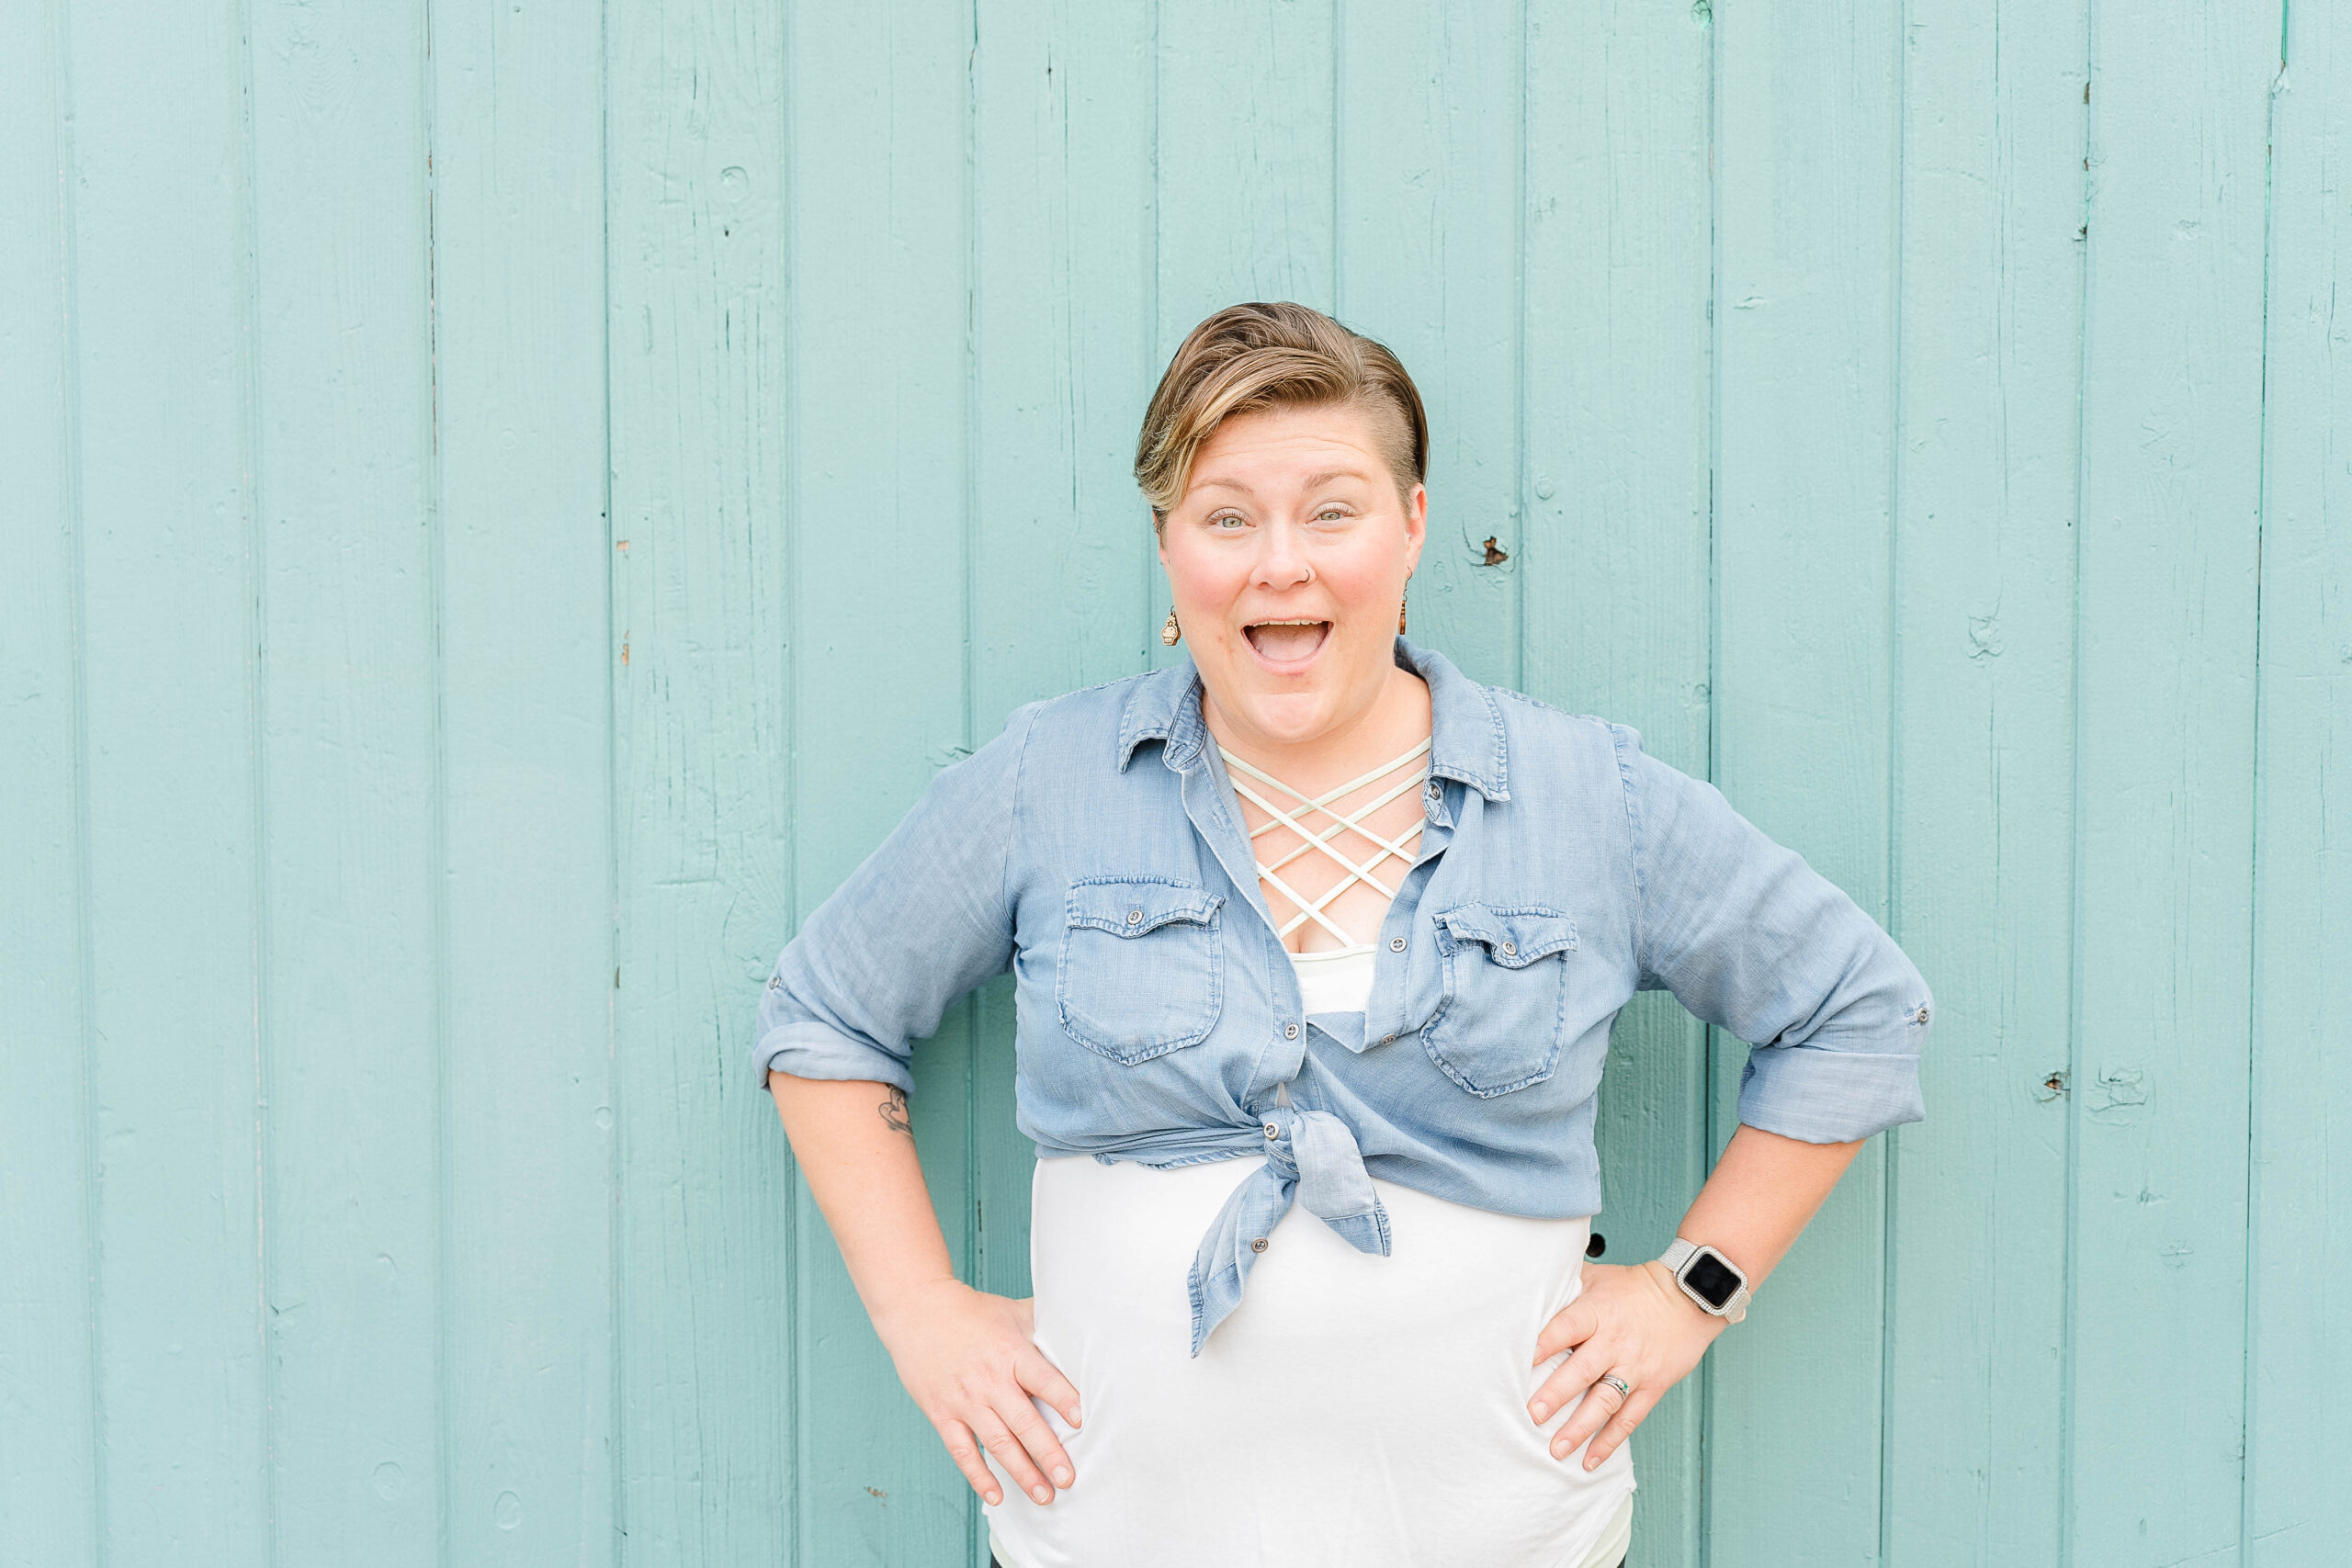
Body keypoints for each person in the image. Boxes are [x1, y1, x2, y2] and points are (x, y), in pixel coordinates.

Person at [755, 301, 1934, 1567]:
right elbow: (827, 1016)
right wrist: (920, 1310)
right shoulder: (1054, 782)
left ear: (1412, 523)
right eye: (1226, 516)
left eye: (1333, 508)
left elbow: (1854, 1011)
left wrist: (1688, 1291)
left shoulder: (1588, 799)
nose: (1281, 564)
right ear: (1168, 544)